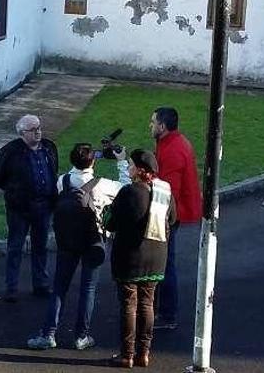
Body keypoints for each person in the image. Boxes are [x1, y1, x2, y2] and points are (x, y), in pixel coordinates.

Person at [26, 143, 130, 351]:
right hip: (93, 239)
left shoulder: (62, 181)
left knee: (60, 287)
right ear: (92, 161)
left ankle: (48, 333)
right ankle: (81, 336)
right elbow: (126, 189)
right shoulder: (100, 184)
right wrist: (122, 162)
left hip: (67, 239)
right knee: (88, 288)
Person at [105, 150, 176, 368]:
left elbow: (111, 223)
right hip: (156, 256)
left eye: (131, 165)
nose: (128, 168)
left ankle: (127, 354)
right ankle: (144, 353)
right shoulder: (165, 191)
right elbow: (173, 219)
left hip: (130, 257)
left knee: (129, 304)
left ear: (140, 169)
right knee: (147, 303)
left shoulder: (129, 192)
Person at [0, 114, 59, 302]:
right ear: (22, 133)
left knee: (41, 246)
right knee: (15, 247)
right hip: (19, 208)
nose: (38, 132)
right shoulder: (10, 151)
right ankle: (11, 288)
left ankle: (40, 284)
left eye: (39, 127)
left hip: (44, 205)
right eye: (33, 129)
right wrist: (15, 193)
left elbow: (53, 170)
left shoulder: (48, 147)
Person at [151, 106, 201, 330]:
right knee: (165, 262)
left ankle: (167, 313)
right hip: (175, 213)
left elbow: (167, 190)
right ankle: (163, 311)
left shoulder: (172, 150)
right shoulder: (174, 143)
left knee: (164, 264)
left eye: (153, 122)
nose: (150, 126)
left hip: (168, 215)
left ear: (162, 126)